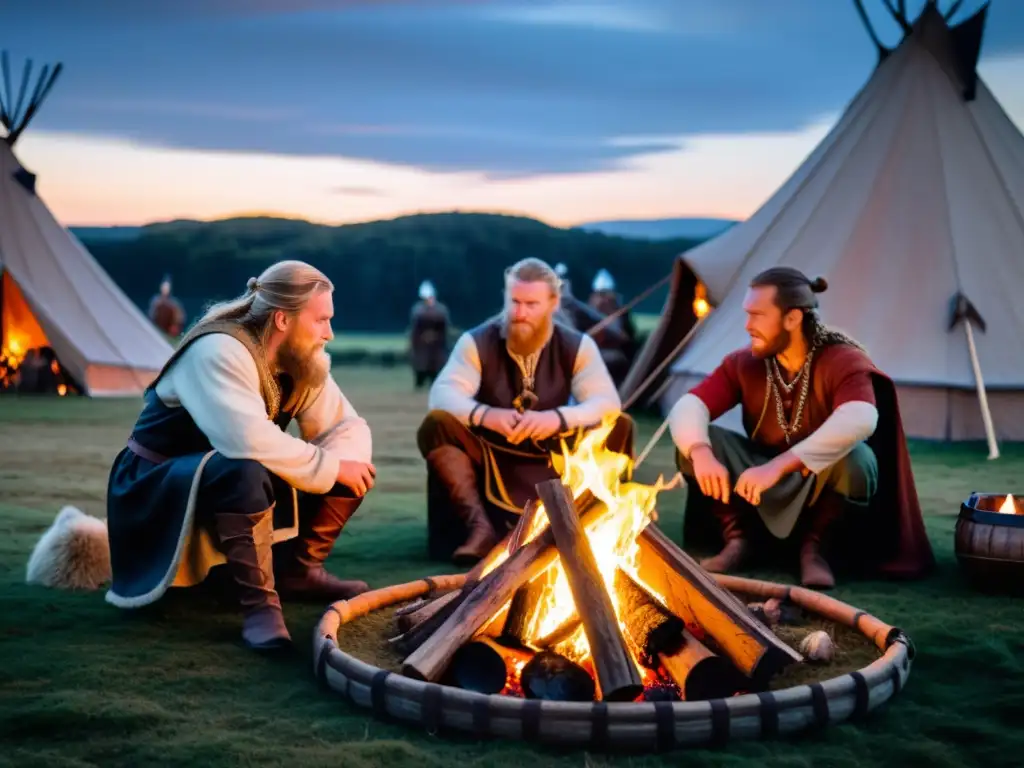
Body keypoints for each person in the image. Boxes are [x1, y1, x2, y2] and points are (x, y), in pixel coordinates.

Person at [105, 261, 377, 651]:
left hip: (224, 474)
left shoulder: (301, 360)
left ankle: (300, 570)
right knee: (247, 469)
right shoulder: (218, 349)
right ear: (283, 319)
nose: (329, 334)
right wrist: (331, 467)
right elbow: (245, 439)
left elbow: (344, 427)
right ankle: (260, 608)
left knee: (350, 465)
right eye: (321, 320)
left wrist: (343, 465)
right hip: (155, 488)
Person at [668, 267, 934, 589]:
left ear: (792, 318)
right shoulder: (744, 363)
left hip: (815, 480)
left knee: (858, 462)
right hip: (756, 479)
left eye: (757, 315)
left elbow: (861, 416)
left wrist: (781, 465)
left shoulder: (842, 359)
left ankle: (816, 550)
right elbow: (689, 406)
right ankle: (739, 540)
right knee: (698, 442)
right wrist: (700, 452)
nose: (747, 325)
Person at [417, 257, 634, 565]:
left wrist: (556, 419)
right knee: (437, 423)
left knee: (619, 425)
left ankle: (592, 527)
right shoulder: (477, 341)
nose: (519, 313)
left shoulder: (577, 345)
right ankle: (480, 529)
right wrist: (485, 415)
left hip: (554, 453)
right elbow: (442, 395)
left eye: (531, 304)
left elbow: (607, 402)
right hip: (491, 451)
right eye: (514, 302)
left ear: (553, 303)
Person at [409, 280, 451, 389]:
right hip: (422, 346)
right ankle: (420, 382)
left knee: (436, 366)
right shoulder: (418, 311)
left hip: (436, 346)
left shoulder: (441, 310)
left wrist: (437, 338)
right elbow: (415, 331)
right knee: (421, 365)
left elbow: (444, 330)